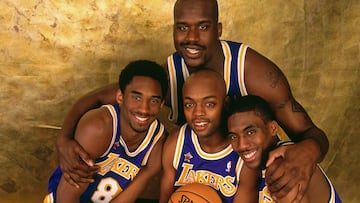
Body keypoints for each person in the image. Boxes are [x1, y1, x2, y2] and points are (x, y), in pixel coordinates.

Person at [56, 0, 329, 201]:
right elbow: (101, 97)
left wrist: (308, 152)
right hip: (205, 168)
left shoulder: (252, 71)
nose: (192, 38)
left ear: (218, 29)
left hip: (258, 164)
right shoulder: (172, 74)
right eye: (183, 28)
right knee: (139, 162)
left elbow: (309, 132)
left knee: (287, 172)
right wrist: (64, 140)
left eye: (203, 27)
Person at [43, 60, 168, 203]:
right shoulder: (98, 128)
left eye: (153, 101)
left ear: (161, 105)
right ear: (120, 97)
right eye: (136, 97)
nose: (144, 109)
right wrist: (63, 138)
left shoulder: (157, 141)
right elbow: (66, 197)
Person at [160, 69, 259, 203]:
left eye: (209, 104)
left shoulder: (243, 153)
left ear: (226, 104)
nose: (198, 113)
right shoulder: (176, 143)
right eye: (189, 104)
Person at [227, 95, 342, 203]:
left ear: (273, 128)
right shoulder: (255, 166)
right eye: (234, 136)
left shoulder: (285, 163)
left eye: (251, 132)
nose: (242, 145)